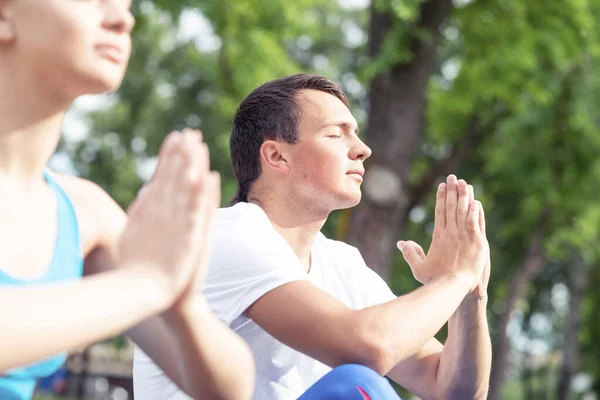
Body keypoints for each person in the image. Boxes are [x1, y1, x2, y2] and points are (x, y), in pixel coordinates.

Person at [133, 73, 492, 399]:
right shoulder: (228, 234)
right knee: (356, 388)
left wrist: (469, 296)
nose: (362, 148)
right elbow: (369, 347)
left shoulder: (342, 263)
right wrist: (453, 279)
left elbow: (452, 390)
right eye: (336, 134)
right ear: (276, 156)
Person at [0, 1, 254, 399]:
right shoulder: (138, 275)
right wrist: (145, 283)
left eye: (127, 3)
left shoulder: (86, 212)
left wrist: (183, 302)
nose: (123, 18)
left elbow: (227, 391)